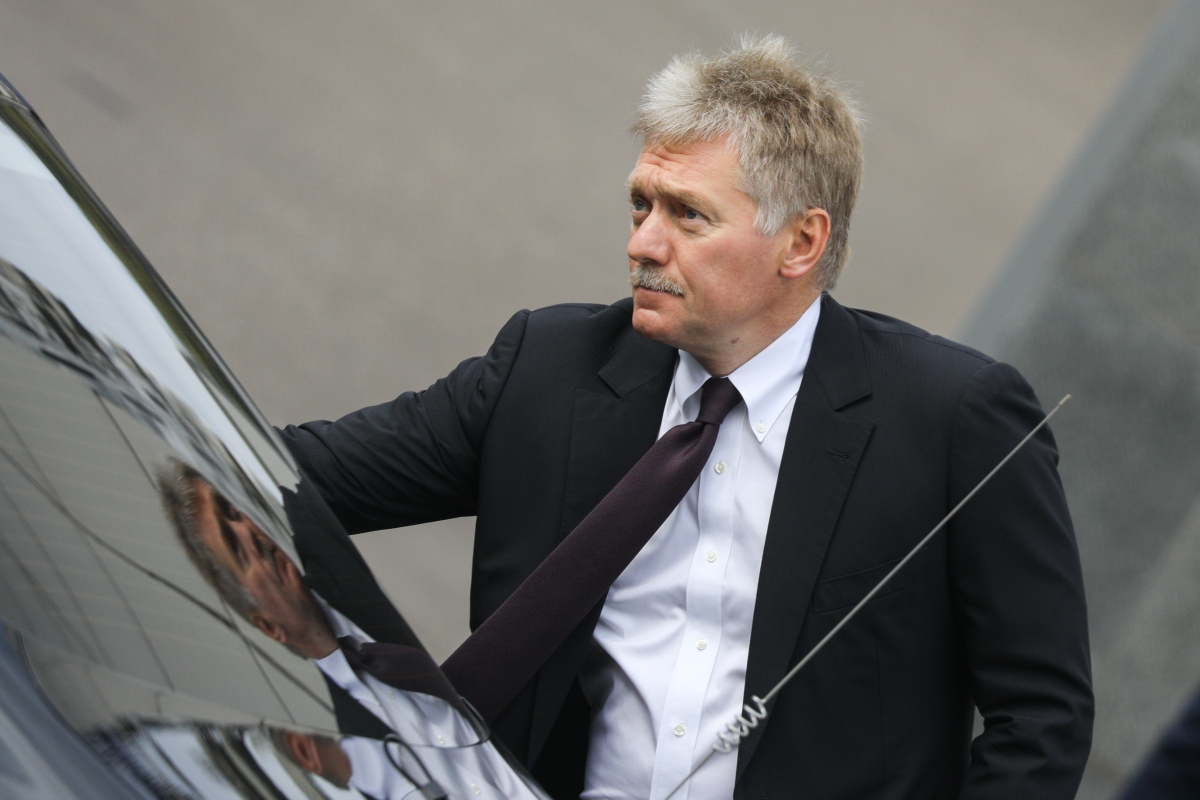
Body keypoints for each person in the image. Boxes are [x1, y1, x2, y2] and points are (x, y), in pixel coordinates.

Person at [279, 35, 1093, 799]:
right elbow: (291, 476)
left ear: (801, 243)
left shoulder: (954, 420)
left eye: (688, 215)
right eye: (641, 205)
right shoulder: (547, 369)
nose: (644, 243)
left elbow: (1042, 717)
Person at [157, 461, 548, 800]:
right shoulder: (312, 729)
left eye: (234, 511)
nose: (251, 532)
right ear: (267, 626)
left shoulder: (352, 596)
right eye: (238, 550)